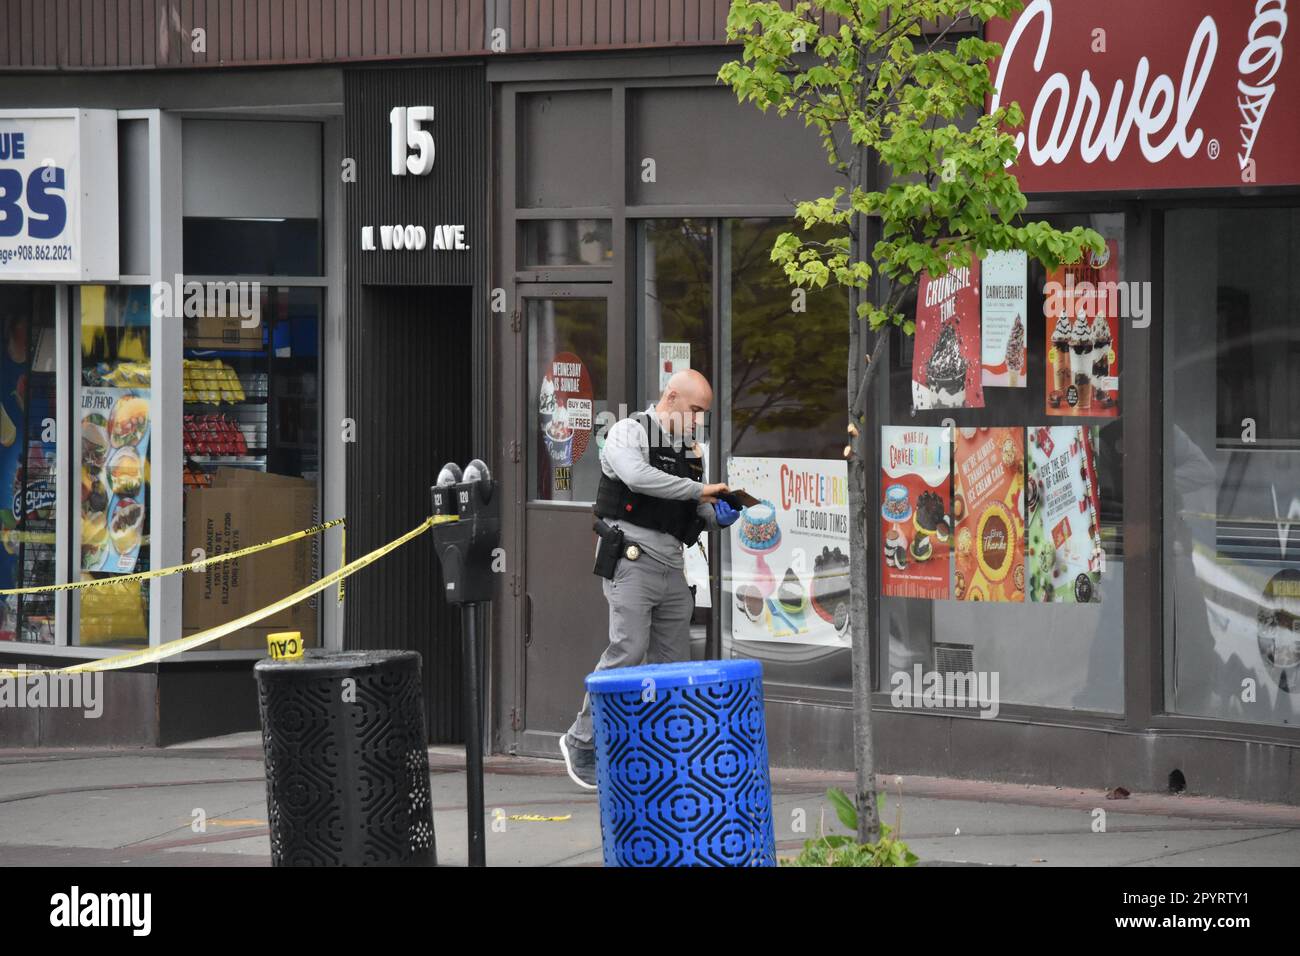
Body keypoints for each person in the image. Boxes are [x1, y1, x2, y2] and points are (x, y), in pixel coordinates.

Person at [558, 369, 740, 790]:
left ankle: (664, 755)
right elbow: (638, 478)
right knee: (629, 649)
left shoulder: (690, 452)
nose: (699, 420)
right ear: (671, 397)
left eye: (704, 414)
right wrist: (699, 492)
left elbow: (695, 511)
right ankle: (581, 740)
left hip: (672, 566)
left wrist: (720, 513)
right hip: (631, 560)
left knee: (673, 666)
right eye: (695, 410)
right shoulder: (629, 431)